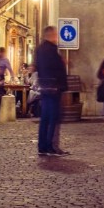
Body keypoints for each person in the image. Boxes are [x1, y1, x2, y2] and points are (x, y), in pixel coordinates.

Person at [34, 25, 69, 156]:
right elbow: (56, 69)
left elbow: (38, 67)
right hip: (54, 88)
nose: (57, 37)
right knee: (53, 118)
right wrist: (62, 63)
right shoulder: (52, 50)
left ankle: (42, 146)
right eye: (56, 35)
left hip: (45, 87)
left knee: (45, 118)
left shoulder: (39, 50)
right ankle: (51, 147)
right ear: (51, 36)